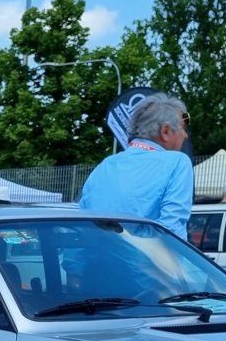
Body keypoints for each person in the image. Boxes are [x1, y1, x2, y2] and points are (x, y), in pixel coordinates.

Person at [79, 93, 193, 238]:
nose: (185, 135)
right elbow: (171, 232)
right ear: (165, 131)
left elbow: (83, 220)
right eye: (183, 128)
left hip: (87, 258)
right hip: (143, 260)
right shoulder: (177, 162)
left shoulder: (106, 164)